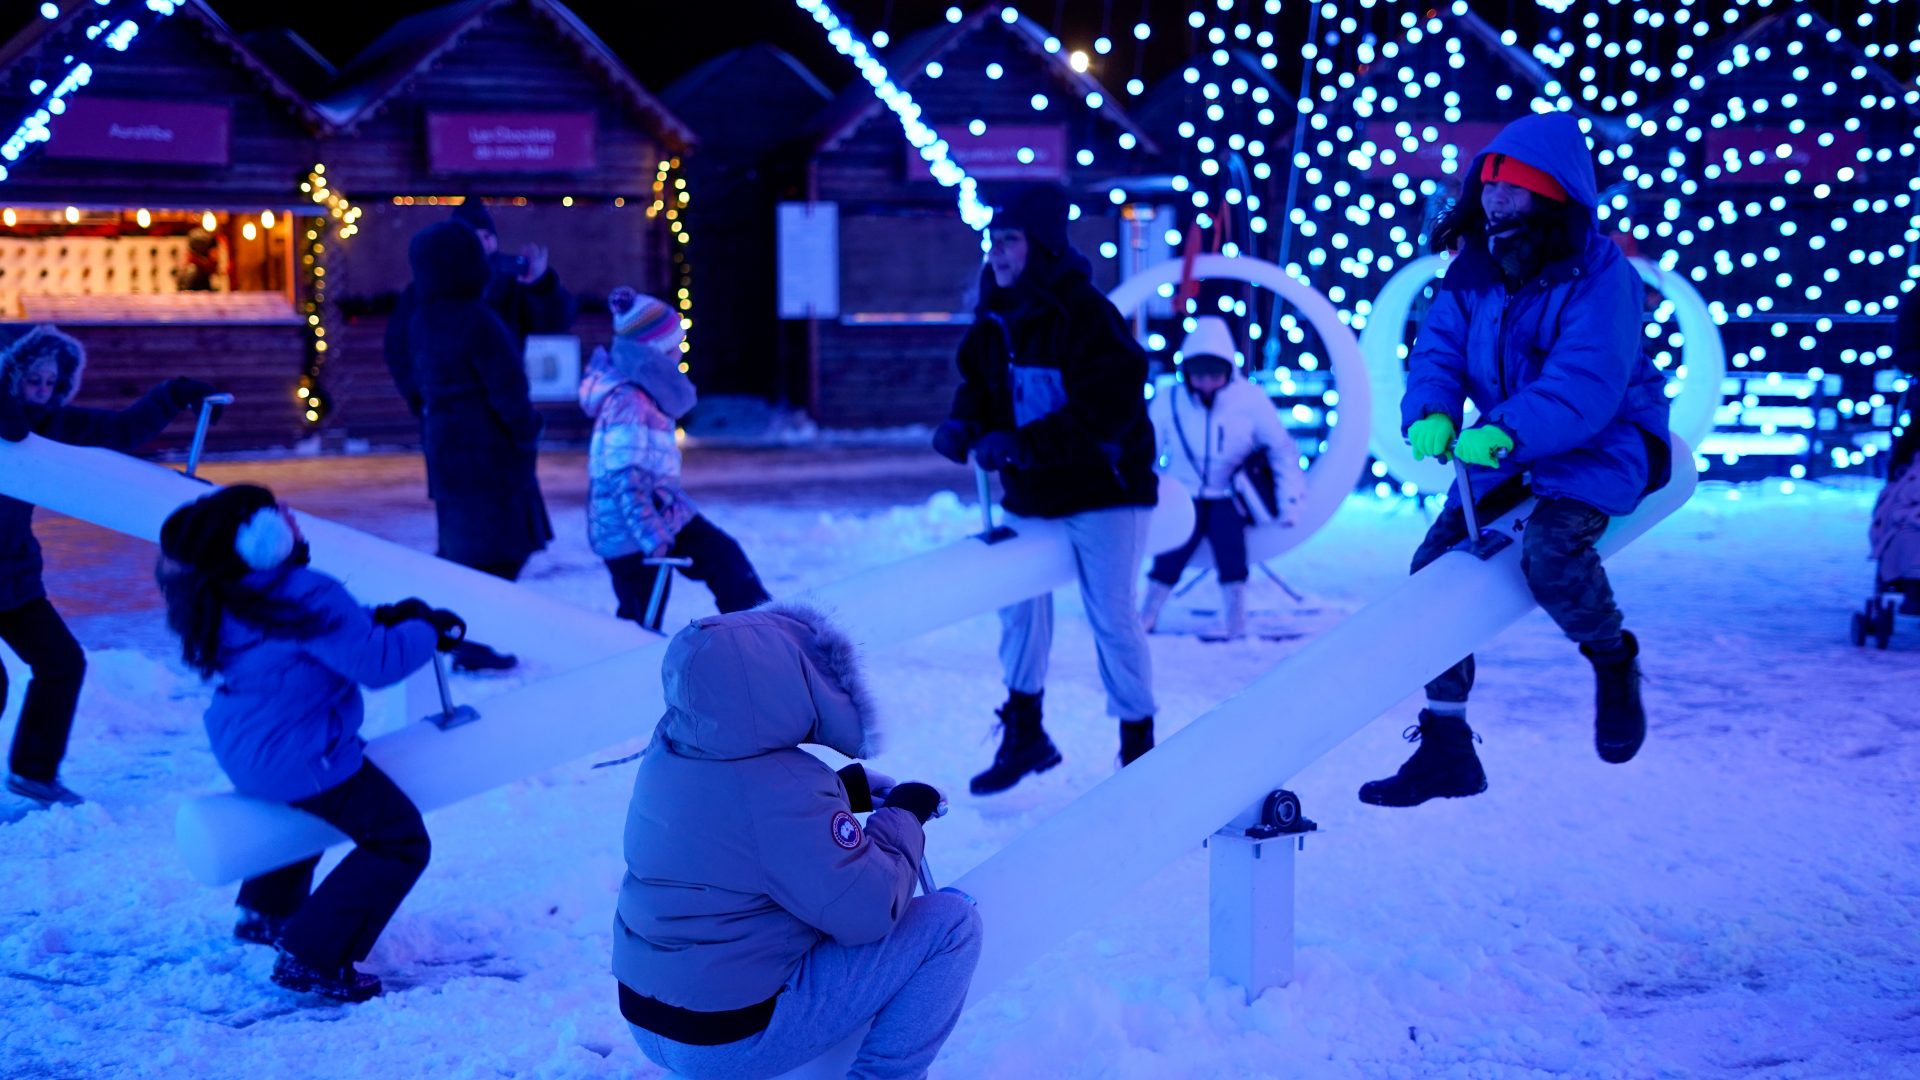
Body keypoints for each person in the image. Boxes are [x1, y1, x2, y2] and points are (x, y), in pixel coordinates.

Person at [1358, 111, 1672, 809]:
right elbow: (1437, 350)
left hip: (1604, 440)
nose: (1498, 196)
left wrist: (1500, 432)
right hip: (1507, 449)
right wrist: (1433, 411)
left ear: (1556, 192)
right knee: (1432, 574)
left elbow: (1586, 385)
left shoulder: (1602, 276)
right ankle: (1446, 745)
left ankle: (1613, 661)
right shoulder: (1472, 266)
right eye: (1491, 180)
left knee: (1552, 555)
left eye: (1517, 183)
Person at [615, 604, 981, 1079]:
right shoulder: (780, 786)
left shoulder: (672, 748)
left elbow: (732, 828)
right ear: (780, 687)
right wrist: (906, 815)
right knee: (951, 924)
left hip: (648, 1017)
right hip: (727, 1036)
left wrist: (838, 793)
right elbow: (870, 908)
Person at [157, 484, 460, 1003]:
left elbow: (325, 636)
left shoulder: (232, 592)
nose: (292, 517)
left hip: (250, 749)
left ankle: (266, 912)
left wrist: (384, 618)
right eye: (279, 514)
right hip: (299, 754)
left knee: (309, 813)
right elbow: (377, 663)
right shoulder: (305, 591)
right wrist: (426, 629)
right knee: (399, 841)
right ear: (261, 538)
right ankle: (314, 955)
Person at [932, 182, 1162, 793]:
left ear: (1041, 244)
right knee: (1018, 603)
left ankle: (1139, 748)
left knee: (1111, 615)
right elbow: (980, 386)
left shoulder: (1084, 313)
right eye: (993, 241)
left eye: (1008, 240)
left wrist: (1025, 444)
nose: (997, 253)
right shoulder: (995, 315)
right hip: (1034, 494)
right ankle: (1026, 731)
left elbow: (1108, 408)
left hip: (1105, 491)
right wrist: (965, 423)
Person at [0, 325, 219, 807]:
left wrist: (174, 393)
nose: (40, 391)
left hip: (12, 580)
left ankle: (34, 773)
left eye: (49, 383)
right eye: (31, 380)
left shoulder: (49, 425)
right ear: (10, 376)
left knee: (61, 663)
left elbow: (120, 431)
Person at [395, 220, 556, 671]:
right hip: (491, 455)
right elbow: (507, 390)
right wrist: (527, 431)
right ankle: (467, 640)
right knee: (500, 551)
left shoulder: (422, 319)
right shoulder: (477, 320)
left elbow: (417, 377)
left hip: (448, 454)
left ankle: (462, 635)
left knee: (467, 552)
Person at [583, 288, 770, 629]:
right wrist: (652, 537)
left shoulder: (647, 395)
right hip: (629, 529)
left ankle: (761, 630)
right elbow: (624, 480)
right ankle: (620, 670)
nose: (678, 353)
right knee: (640, 618)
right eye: (673, 346)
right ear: (652, 353)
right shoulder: (629, 403)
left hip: (659, 512)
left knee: (724, 557)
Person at [1141, 316, 1306, 641]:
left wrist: (1290, 499)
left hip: (1227, 494)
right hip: (1182, 493)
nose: (1206, 383)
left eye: (1214, 375)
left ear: (1228, 371)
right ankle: (1148, 614)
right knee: (1169, 555)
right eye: (1198, 375)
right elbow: (1147, 449)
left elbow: (1280, 448)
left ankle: (1236, 619)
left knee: (1232, 555)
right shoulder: (1167, 399)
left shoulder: (1251, 399)